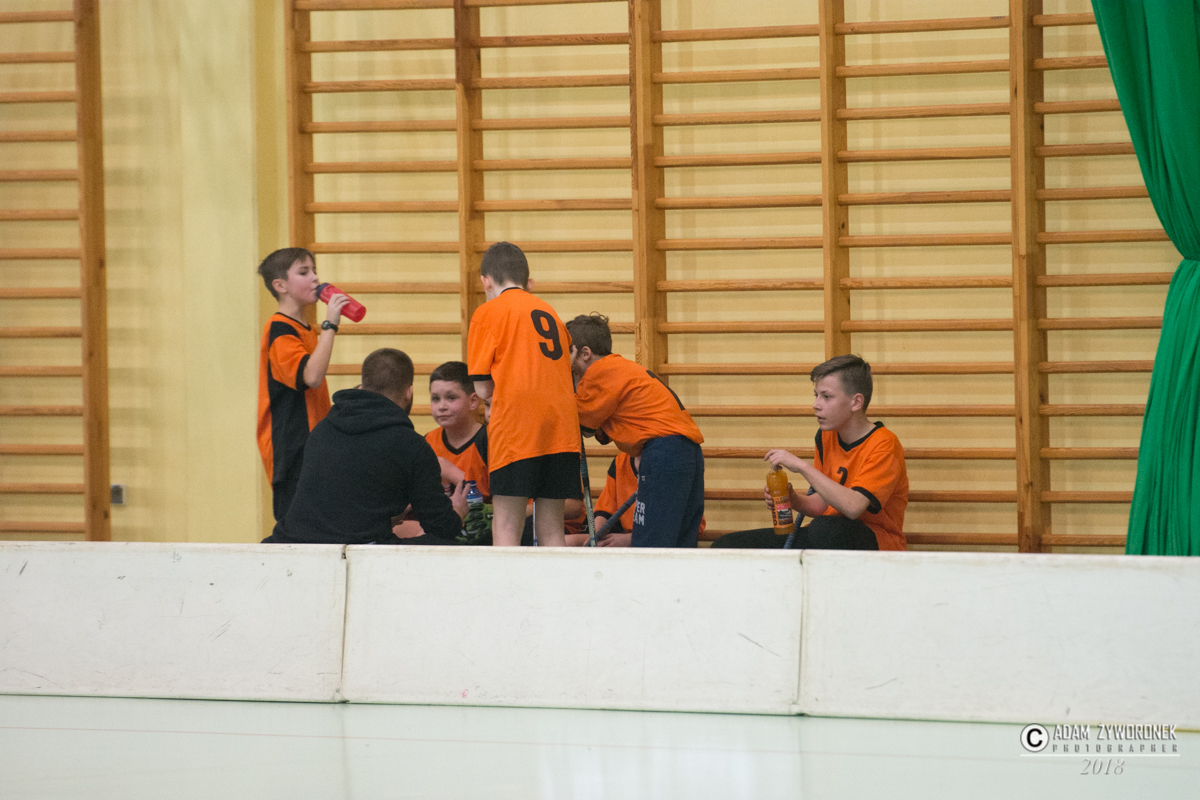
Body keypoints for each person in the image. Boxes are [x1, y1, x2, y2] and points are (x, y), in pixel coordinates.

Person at [264, 348, 465, 546]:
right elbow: (442, 528)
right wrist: (457, 512)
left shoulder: (322, 430)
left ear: (362, 386)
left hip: (289, 544)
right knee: (452, 547)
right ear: (409, 392)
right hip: (356, 551)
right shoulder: (411, 444)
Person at [710, 355, 908, 551]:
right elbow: (822, 505)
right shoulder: (826, 436)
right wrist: (793, 499)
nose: (816, 404)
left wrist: (802, 467)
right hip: (825, 535)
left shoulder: (884, 445)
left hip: (875, 541)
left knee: (825, 529)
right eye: (816, 395)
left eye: (826, 396)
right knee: (726, 545)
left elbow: (853, 507)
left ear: (856, 402)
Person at [467, 242, 581, 547]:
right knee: (552, 528)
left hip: (517, 429)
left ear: (486, 281)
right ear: (528, 281)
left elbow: (483, 389)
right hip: (561, 430)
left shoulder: (487, 313)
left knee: (507, 523)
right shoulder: (550, 312)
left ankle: (505, 582)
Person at [566, 312, 705, 548]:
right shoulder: (620, 367)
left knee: (650, 544)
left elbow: (582, 425)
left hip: (663, 452)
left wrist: (562, 381)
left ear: (585, 353)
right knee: (680, 542)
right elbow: (599, 431)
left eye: (567, 355)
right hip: (687, 451)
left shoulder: (597, 374)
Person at [256, 247, 349, 522]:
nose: (315, 278)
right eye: (304, 272)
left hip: (314, 446)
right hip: (292, 448)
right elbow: (311, 377)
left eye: (314, 271)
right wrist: (330, 325)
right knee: (296, 530)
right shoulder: (279, 329)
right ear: (280, 285)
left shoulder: (305, 329)